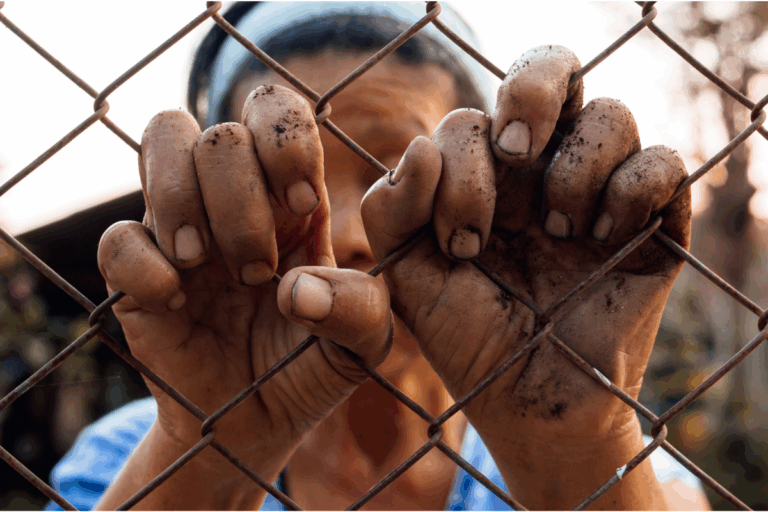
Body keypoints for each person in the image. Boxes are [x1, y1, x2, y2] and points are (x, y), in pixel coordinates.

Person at [44, 2, 711, 510]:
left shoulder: (630, 469)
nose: (343, 241)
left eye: (392, 172)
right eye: (280, 190)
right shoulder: (128, 458)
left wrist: (573, 449)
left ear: (488, 194)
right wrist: (211, 448)